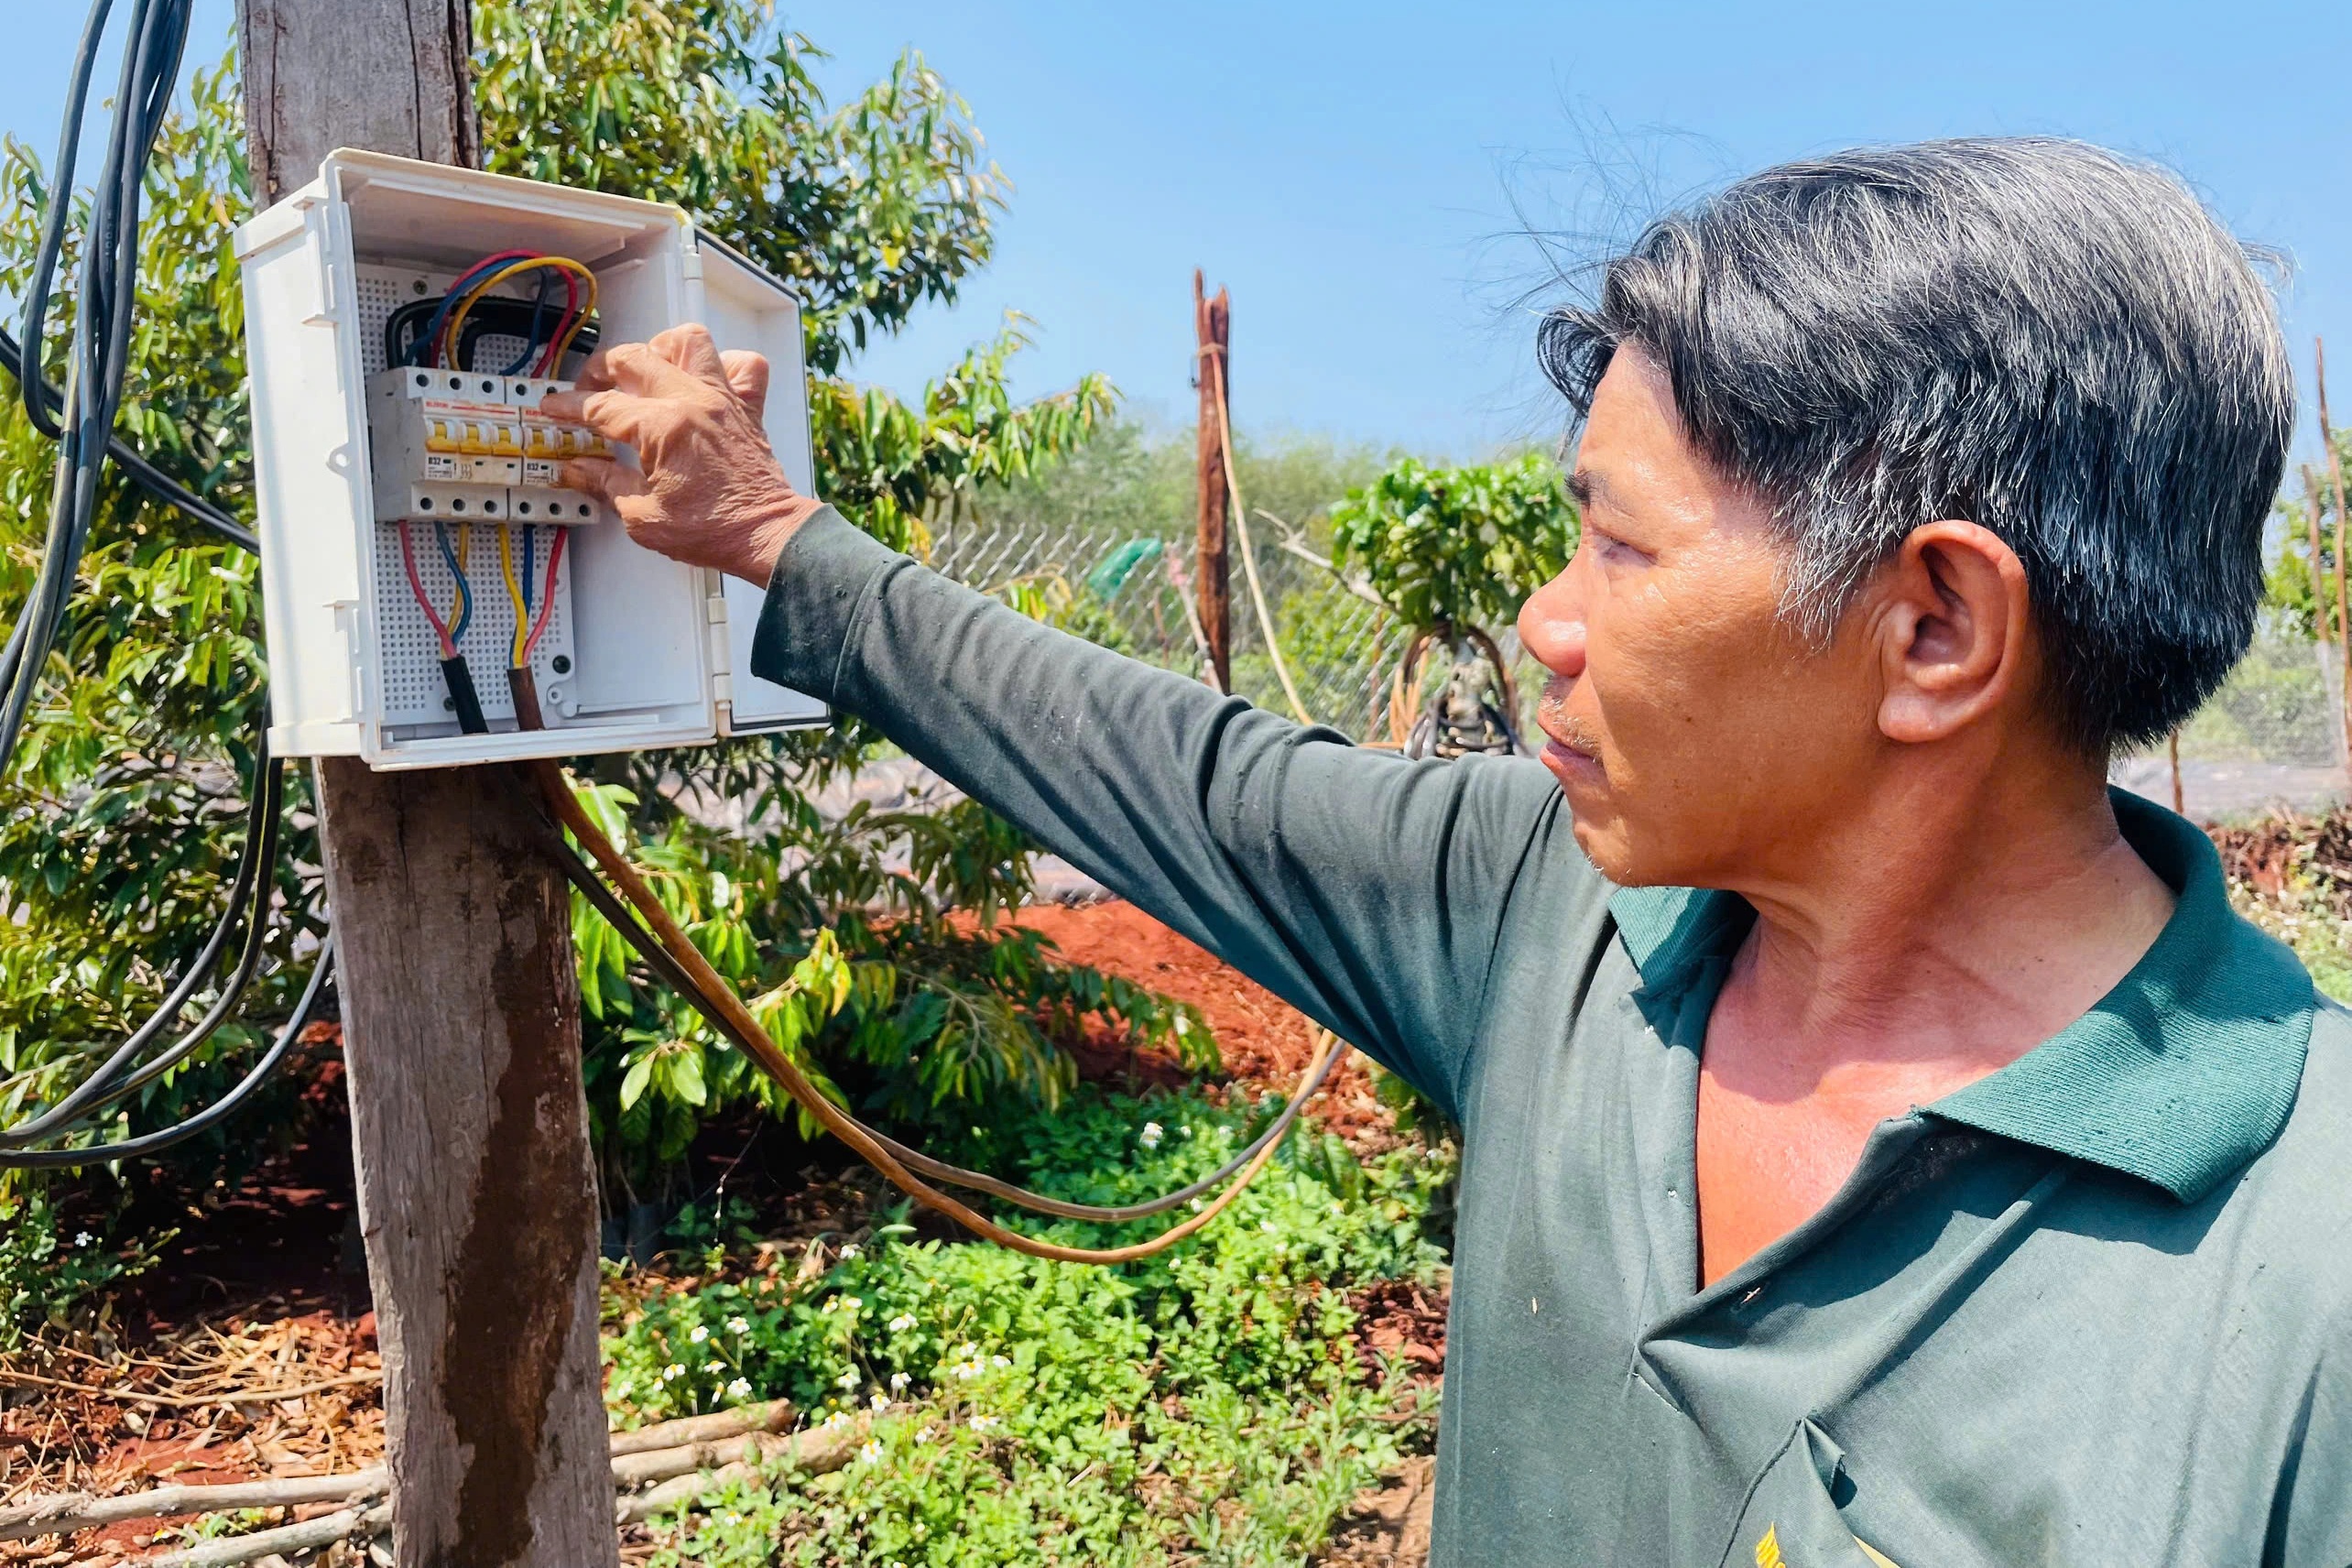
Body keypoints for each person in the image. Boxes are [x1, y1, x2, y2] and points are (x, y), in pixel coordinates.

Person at [545, 137, 2350, 1567]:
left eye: (1623, 552)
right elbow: (1179, 769)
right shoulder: (1551, 913)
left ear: (1935, 626)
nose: (1546, 624)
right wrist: (775, 533)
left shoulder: (2306, 1270)